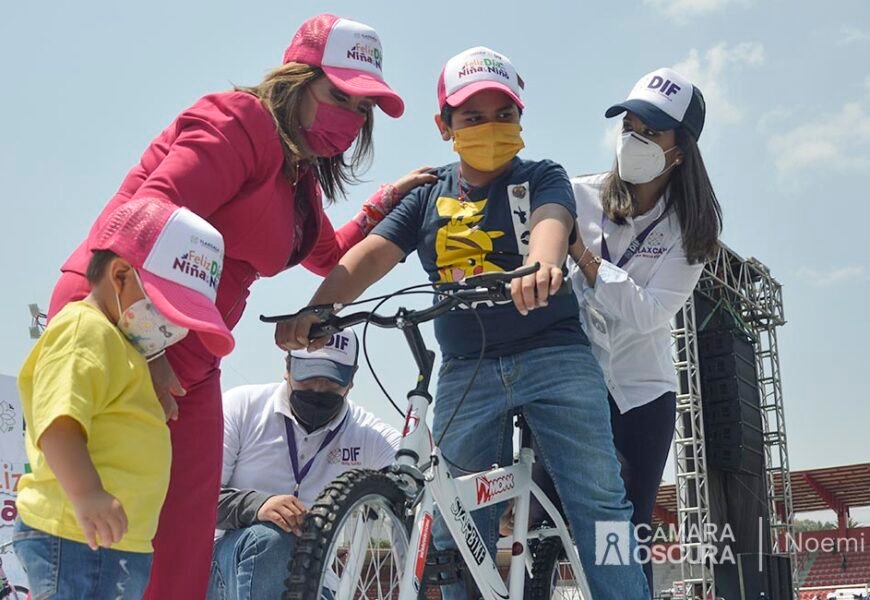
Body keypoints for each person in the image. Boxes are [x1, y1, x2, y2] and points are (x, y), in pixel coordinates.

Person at [44, 13, 433, 598]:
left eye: (363, 108)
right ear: (298, 80)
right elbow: (150, 210)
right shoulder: (241, 121)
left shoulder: (297, 177)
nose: (351, 119)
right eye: (340, 96)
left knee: (187, 530)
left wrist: (388, 201)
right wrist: (142, 350)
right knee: (102, 516)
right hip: (119, 319)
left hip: (195, 349)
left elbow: (327, 254)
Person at [276, 46, 649, 599]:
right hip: (465, 369)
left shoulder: (541, 175)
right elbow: (372, 255)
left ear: (521, 119)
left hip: (556, 358)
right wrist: (319, 307)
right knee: (452, 521)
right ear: (444, 125)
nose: (491, 127)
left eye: (505, 115)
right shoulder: (428, 193)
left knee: (602, 506)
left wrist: (544, 265)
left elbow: (552, 222)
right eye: (473, 117)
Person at [529, 67, 722, 596]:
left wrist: (582, 256)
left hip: (641, 395)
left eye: (651, 131)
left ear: (679, 150)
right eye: (629, 125)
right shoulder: (574, 196)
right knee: (537, 523)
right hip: (568, 389)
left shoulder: (693, 229)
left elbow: (648, 314)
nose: (634, 140)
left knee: (622, 537)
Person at [13, 198, 234, 599]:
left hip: (118, 542)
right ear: (119, 276)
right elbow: (58, 424)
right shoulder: (84, 331)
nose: (174, 329)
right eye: (168, 311)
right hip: (76, 534)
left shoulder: (125, 344)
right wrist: (88, 494)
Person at [208, 329, 400, 600]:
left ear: (351, 380)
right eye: (309, 379)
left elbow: (416, 469)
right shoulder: (241, 407)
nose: (318, 390)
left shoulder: (368, 433)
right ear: (287, 368)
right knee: (272, 540)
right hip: (224, 568)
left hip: (316, 580)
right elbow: (195, 502)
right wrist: (257, 506)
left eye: (332, 382)